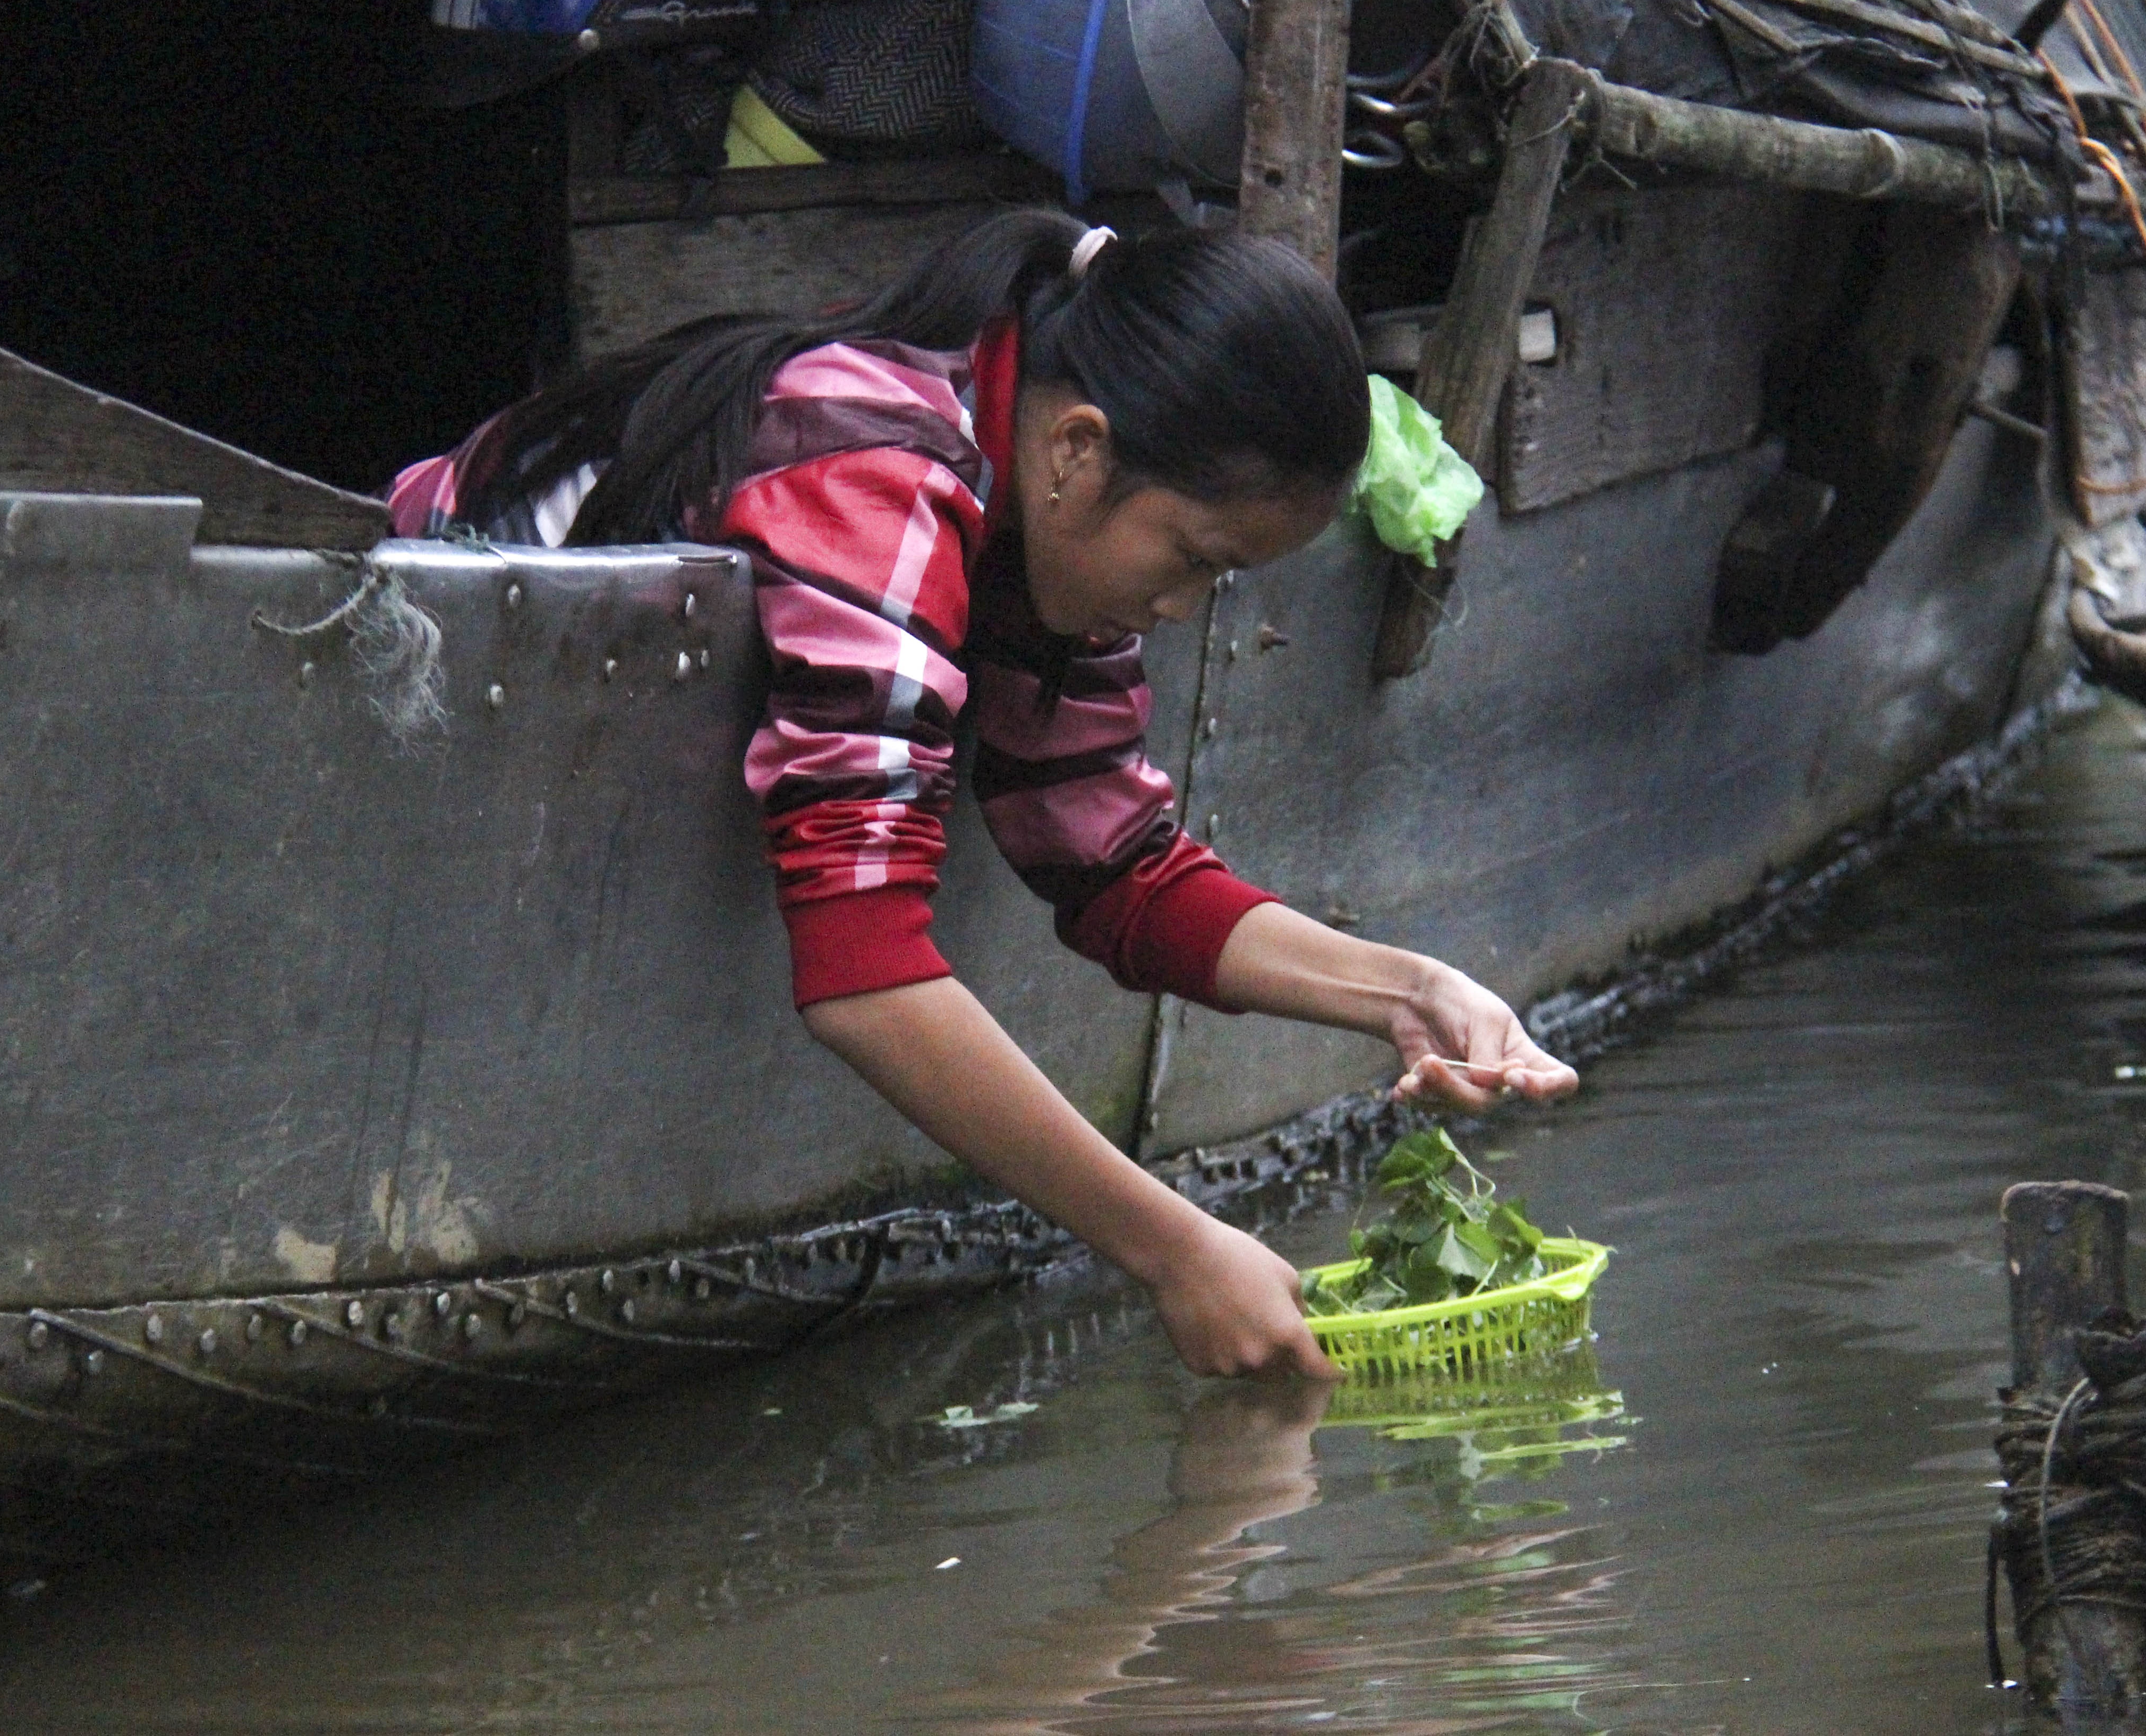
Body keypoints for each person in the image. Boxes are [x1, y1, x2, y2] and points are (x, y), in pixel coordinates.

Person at [388, 209, 1578, 1378]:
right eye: (1195, 560)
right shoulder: (880, 471)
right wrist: (1171, 1250)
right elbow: (864, 971)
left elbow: (1118, 868)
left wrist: (1407, 990)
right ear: (1077, 449)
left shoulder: (1053, 520)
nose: (1182, 609)